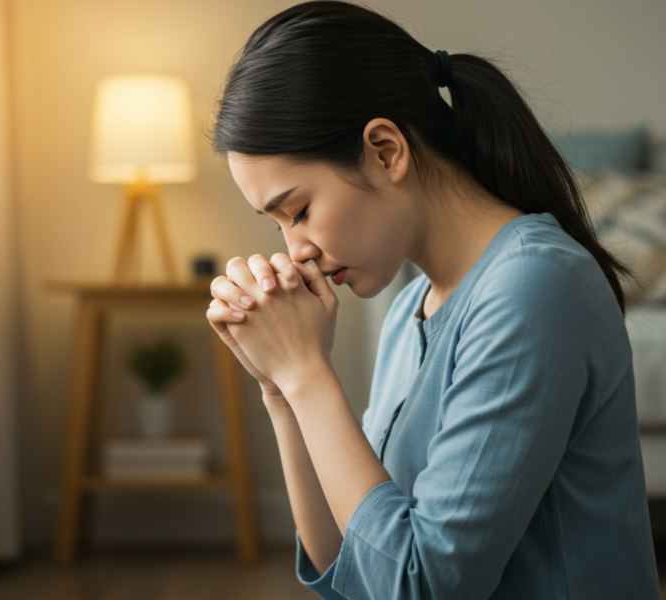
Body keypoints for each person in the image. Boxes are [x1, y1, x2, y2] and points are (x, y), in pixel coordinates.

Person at [204, 2, 661, 598]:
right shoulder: (410, 310)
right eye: (277, 225)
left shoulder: (535, 286)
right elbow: (351, 570)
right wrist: (281, 389)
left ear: (386, 151)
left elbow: (424, 586)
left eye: (299, 211)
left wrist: (308, 375)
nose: (297, 251)